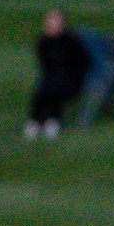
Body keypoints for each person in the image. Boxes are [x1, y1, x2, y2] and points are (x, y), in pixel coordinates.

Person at [28, 9, 91, 139]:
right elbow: (45, 65)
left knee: (56, 90)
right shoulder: (43, 42)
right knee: (41, 93)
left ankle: (53, 121)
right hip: (52, 78)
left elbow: (83, 62)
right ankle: (35, 121)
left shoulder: (71, 42)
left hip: (71, 80)